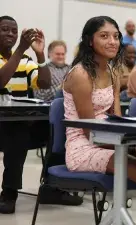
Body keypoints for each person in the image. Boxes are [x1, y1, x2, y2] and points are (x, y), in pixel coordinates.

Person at [62, 16, 136, 225]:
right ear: (90, 41)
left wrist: (135, 145)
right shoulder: (80, 74)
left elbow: (116, 119)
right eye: (104, 36)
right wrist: (132, 146)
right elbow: (91, 131)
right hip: (84, 147)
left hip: (111, 141)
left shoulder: (113, 72)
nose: (113, 42)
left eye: (116, 37)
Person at [0, 16, 83, 214]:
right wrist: (20, 49)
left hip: (17, 124)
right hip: (5, 127)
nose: (10, 34)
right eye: (5, 30)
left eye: (14, 31)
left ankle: (51, 187)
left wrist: (40, 56)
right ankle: (9, 193)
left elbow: (44, 83)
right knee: (17, 132)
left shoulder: (25, 60)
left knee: (57, 129)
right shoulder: (19, 55)